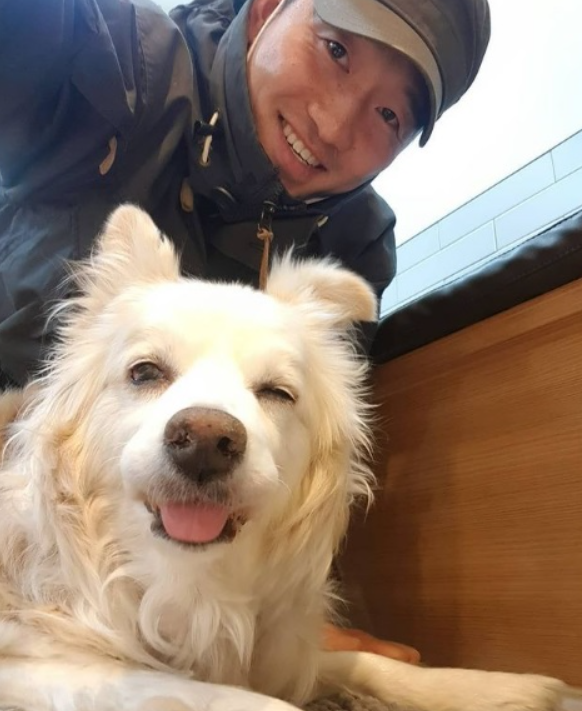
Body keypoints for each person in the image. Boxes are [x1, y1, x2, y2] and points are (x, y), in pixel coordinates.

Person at [0, 0, 490, 660]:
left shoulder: (355, 246)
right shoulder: (119, 65)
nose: (333, 125)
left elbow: (303, 464)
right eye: (335, 50)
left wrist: (280, 608)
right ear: (265, 11)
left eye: (388, 115)